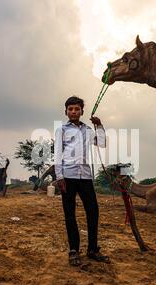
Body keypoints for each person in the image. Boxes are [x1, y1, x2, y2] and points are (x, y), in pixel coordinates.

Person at [54, 96, 110, 266]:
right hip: (68, 177)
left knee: (93, 212)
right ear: (66, 111)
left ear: (81, 112)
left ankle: (92, 249)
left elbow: (102, 144)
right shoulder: (61, 130)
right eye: (70, 109)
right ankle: (74, 251)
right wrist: (59, 176)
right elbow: (57, 153)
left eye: (76, 109)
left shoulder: (88, 130)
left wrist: (99, 125)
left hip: (85, 176)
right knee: (70, 214)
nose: (73, 112)